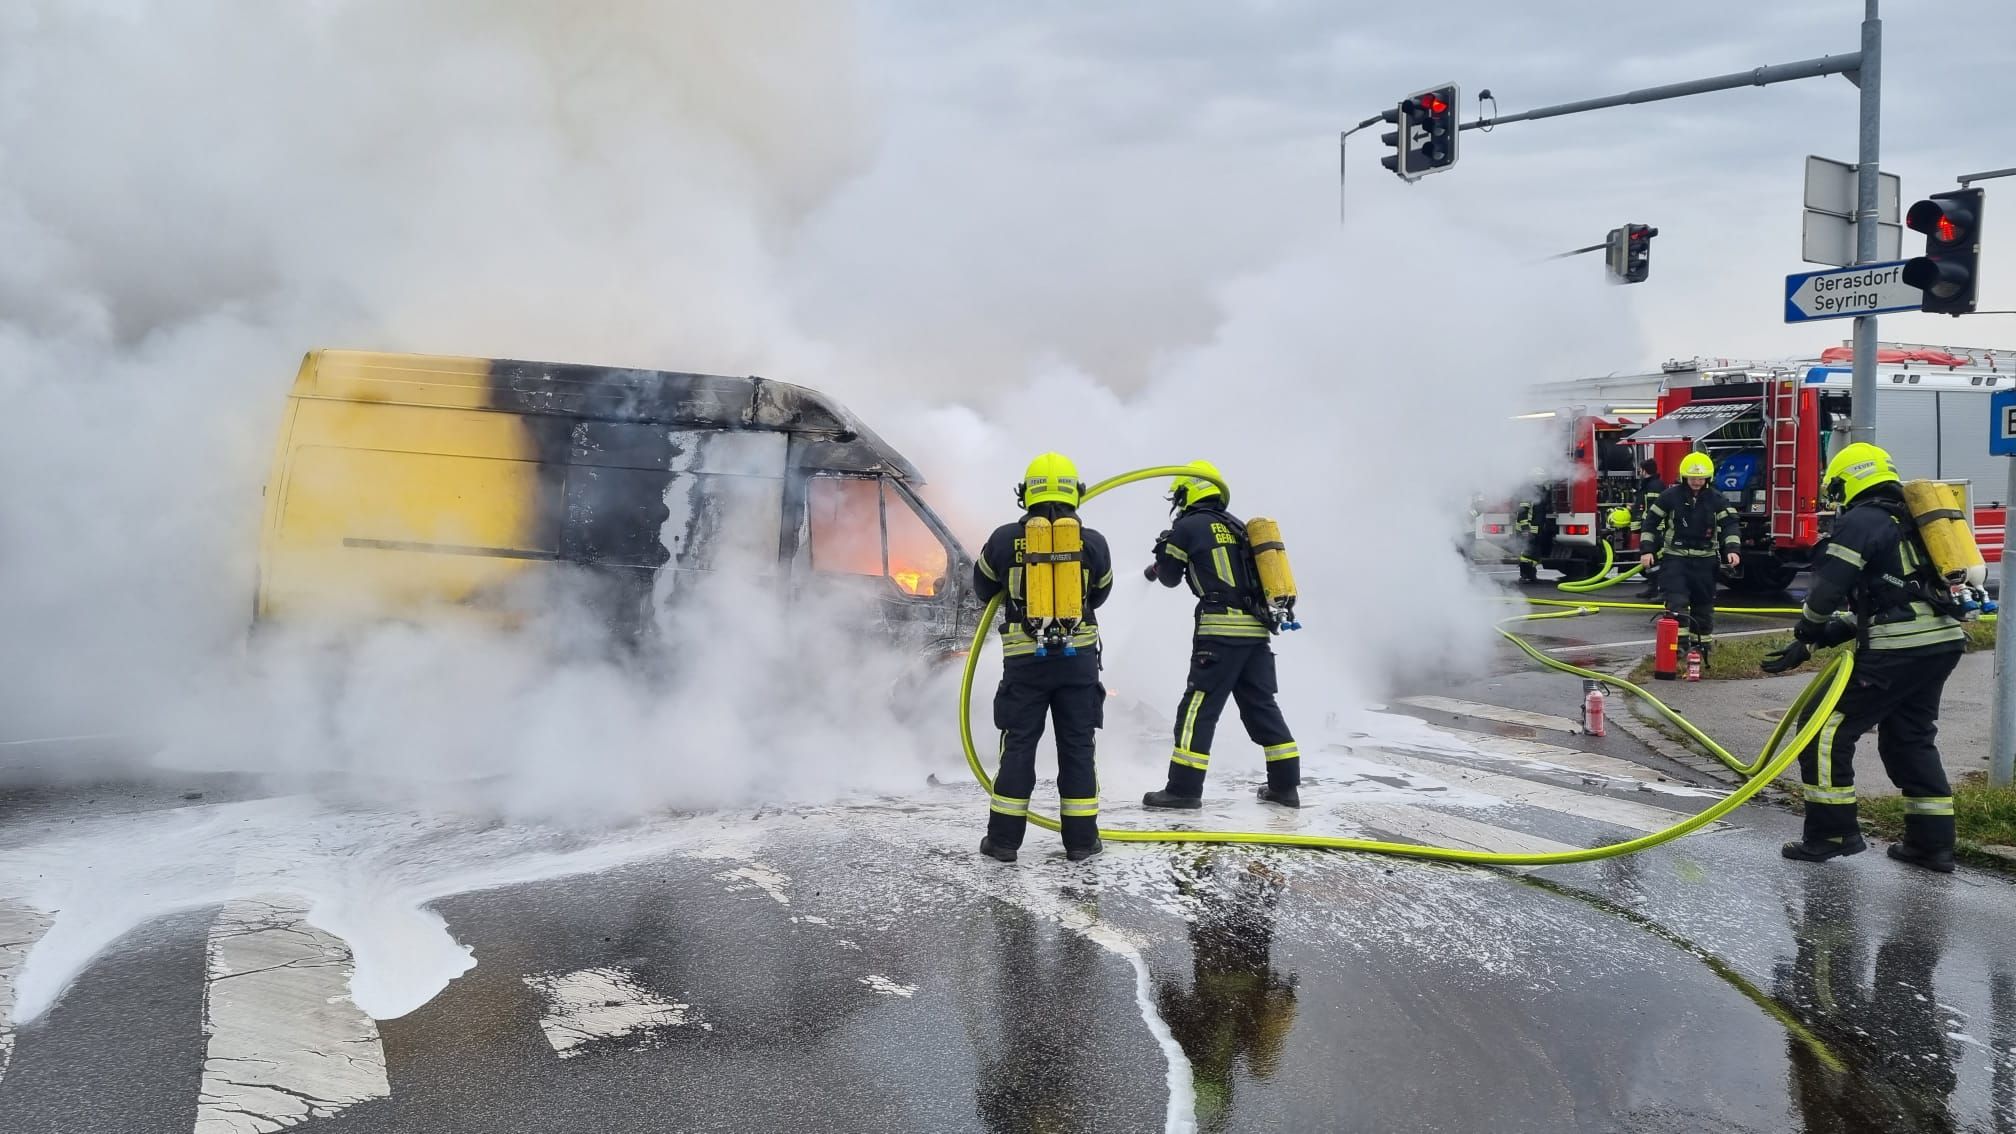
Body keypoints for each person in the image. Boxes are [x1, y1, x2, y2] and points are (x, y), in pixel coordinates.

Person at [1764, 443, 1966, 872]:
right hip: (1941, 641)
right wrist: (1823, 638)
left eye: (1835, 488)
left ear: (1850, 479)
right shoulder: (1910, 518)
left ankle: (1832, 833)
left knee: (1822, 731)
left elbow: (1828, 589)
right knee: (1909, 737)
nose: (1834, 499)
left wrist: (1807, 630)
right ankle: (1932, 845)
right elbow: (1895, 592)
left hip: (1899, 649)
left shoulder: (1861, 520)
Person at [971, 452, 1115, 863]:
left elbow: (982, 588)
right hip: (1078, 662)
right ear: (1075, 492)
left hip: (1025, 664)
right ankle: (1082, 842)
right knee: (1077, 748)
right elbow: (1101, 594)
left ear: (1025, 493)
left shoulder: (1002, 539)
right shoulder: (1094, 542)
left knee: (1018, 747)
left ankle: (1002, 843)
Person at [1141, 461, 1301, 810]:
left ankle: (1183, 790)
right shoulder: (1239, 527)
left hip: (1220, 635)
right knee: (1262, 707)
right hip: (1257, 633)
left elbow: (1169, 577)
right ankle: (1285, 787)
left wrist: (1164, 549)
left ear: (1186, 492)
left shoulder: (1188, 527)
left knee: (1197, 710)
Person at [1638, 451, 1739, 668]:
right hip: (1676, 559)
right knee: (1676, 603)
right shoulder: (1670, 496)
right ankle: (1678, 646)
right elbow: (1650, 523)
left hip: (1705, 561)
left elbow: (1730, 524)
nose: (1696, 482)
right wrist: (1647, 550)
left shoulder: (1716, 499)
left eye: (1700, 478)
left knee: (1703, 606)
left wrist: (1732, 549)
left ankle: (1701, 646)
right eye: (1692, 478)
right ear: (1684, 477)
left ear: (1708, 479)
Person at [1633, 457, 1666, 600]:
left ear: (1644, 470)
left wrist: (1645, 524)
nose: (1639, 472)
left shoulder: (1654, 486)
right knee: (1651, 562)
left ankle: (1660, 591)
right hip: (1650, 529)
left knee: (1656, 561)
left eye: (1640, 469)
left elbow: (1652, 510)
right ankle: (1653, 589)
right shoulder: (1649, 485)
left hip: (1655, 530)